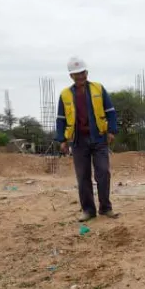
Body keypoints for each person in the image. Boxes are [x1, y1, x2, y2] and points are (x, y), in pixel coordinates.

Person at [55, 57, 119, 222]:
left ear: (87, 73)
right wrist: (62, 140)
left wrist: (111, 130)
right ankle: (88, 210)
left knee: (103, 172)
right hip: (78, 141)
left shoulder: (98, 88)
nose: (80, 77)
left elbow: (110, 111)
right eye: (76, 74)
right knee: (83, 176)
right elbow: (61, 119)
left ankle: (106, 208)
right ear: (71, 76)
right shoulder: (65, 95)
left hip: (98, 137)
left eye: (82, 73)